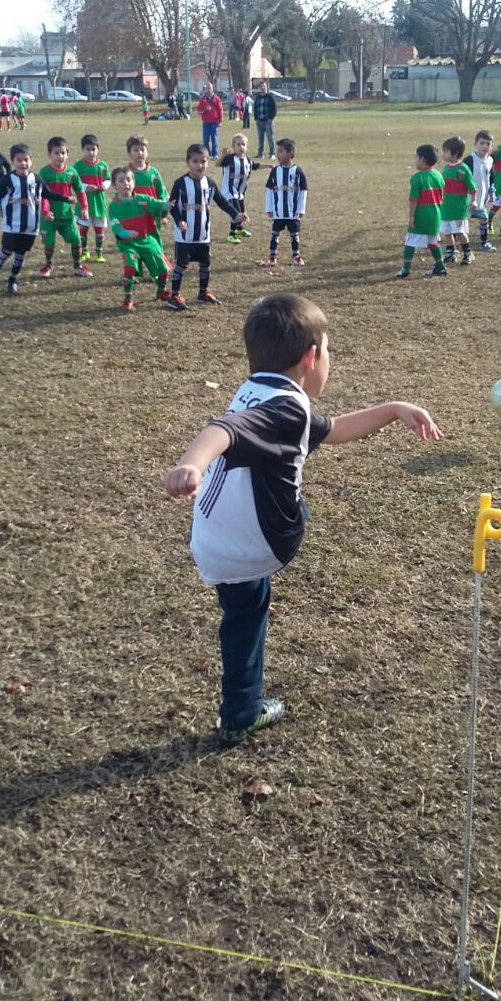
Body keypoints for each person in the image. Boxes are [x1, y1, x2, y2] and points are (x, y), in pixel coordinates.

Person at [163, 291, 444, 746]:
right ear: (312, 357)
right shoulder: (285, 409)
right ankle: (243, 712)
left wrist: (395, 410)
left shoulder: (260, 390)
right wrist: (191, 463)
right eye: (329, 351)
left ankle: (240, 708)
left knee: (242, 611)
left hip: (214, 534)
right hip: (260, 543)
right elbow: (223, 430)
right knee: (248, 611)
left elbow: (329, 430)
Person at [164, 143, 248, 311]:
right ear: (188, 162)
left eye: (203, 161)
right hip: (185, 235)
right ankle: (174, 295)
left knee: (205, 263)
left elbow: (222, 201)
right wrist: (179, 220)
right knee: (181, 265)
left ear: (208, 162)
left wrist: (236, 214)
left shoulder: (209, 183)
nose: (199, 165)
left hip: (203, 233)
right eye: (195, 161)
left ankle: (203, 292)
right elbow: (171, 206)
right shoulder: (180, 183)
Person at [0, 142, 65, 295]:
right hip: (11, 225)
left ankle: (12, 280)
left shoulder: (36, 179)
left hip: (30, 227)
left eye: (26, 160)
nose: (23, 163)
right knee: (6, 250)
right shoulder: (7, 180)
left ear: (31, 161)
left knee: (20, 253)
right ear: (13, 162)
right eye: (19, 160)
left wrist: (66, 199)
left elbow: (47, 193)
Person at [109, 166, 171, 313]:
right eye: (121, 180)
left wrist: (167, 206)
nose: (126, 183)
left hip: (148, 240)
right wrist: (124, 233)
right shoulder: (113, 207)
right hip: (129, 244)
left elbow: (159, 207)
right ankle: (128, 300)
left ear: (134, 182)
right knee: (129, 267)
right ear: (114, 185)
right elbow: (115, 226)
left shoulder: (143, 200)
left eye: (129, 180)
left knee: (164, 270)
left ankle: (161, 291)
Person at [38, 135, 92, 279]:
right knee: (49, 241)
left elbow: (80, 191)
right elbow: (43, 195)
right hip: (48, 217)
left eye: (63, 153)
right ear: (49, 154)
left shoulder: (72, 173)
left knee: (76, 239)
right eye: (56, 153)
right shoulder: (44, 173)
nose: (60, 156)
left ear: (67, 154)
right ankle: (48, 264)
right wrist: (45, 211)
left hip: (66, 215)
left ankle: (77, 266)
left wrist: (85, 208)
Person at [396, 144, 446, 279]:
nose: (415, 160)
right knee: (433, 242)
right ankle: (440, 266)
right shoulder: (438, 176)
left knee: (410, 242)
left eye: (416, 157)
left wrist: (411, 216)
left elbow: (414, 199)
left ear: (422, 159)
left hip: (422, 215)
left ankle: (405, 269)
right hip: (435, 215)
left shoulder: (418, 178)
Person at [265, 138, 308, 267]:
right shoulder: (275, 171)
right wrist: (269, 208)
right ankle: (272, 256)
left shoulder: (298, 171)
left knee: (294, 234)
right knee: (274, 234)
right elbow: (269, 190)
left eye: (281, 151)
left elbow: (303, 191)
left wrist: (301, 210)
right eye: (277, 152)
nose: (278, 155)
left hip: (292, 212)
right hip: (278, 211)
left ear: (290, 153)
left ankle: (296, 256)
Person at [74, 134, 111, 262]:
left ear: (98, 149)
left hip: (99, 202)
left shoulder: (102, 165)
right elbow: (74, 182)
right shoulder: (78, 166)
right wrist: (85, 187)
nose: (91, 152)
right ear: (83, 150)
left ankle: (99, 254)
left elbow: (108, 179)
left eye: (93, 149)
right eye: (88, 149)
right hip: (84, 203)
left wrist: (104, 186)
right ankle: (85, 252)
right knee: (83, 228)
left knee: (99, 229)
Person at [440, 136, 476, 266]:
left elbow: (472, 187)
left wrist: (473, 201)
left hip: (458, 209)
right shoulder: (446, 169)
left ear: (454, 153)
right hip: (446, 208)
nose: (443, 154)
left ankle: (468, 253)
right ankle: (451, 253)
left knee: (460, 232)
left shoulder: (463, 169)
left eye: (446, 151)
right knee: (447, 232)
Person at [220, 133, 261, 243]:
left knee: (242, 210)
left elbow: (256, 166)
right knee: (237, 213)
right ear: (233, 147)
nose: (241, 147)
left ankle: (239, 229)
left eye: (243, 144)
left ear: (246, 147)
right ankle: (231, 234)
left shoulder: (248, 161)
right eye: (238, 144)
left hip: (240, 192)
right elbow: (218, 164)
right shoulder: (229, 159)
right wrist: (223, 156)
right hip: (229, 192)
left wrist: (268, 166)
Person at [464, 131, 497, 252]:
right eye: (482, 143)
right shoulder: (469, 160)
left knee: (484, 219)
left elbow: (491, 177)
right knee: (460, 223)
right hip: (467, 199)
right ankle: (451, 246)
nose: (485, 146)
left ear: (492, 146)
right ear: (475, 144)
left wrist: (491, 192)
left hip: (481, 198)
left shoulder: (490, 160)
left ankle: (484, 242)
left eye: (488, 144)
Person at [197, 82, 223, 158]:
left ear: (212, 89)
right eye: (207, 88)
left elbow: (220, 110)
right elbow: (199, 111)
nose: (208, 90)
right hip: (206, 122)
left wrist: (220, 120)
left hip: (215, 122)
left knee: (214, 139)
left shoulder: (216, 98)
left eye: (210, 88)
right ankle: (207, 154)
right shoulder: (202, 100)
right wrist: (205, 110)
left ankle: (215, 154)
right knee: (205, 139)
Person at [253, 81, 277, 158]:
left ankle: (272, 153)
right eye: (261, 86)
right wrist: (256, 118)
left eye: (264, 86)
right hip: (260, 121)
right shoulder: (257, 98)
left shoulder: (270, 97)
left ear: (266, 87)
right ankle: (260, 153)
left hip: (268, 121)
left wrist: (271, 118)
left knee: (270, 138)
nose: (263, 88)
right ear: (259, 88)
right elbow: (255, 109)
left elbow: (274, 109)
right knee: (260, 139)